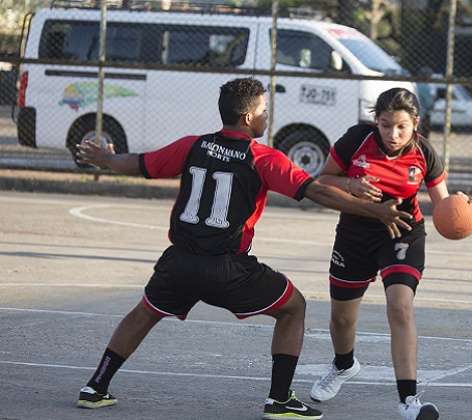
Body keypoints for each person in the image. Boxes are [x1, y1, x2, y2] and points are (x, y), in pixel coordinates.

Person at [73, 77, 415, 420]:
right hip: (226, 268)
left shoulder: (193, 145)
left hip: (179, 263)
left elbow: (141, 164)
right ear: (250, 118)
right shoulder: (261, 157)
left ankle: (95, 387)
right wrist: (376, 210)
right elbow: (319, 192)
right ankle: (279, 400)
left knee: (145, 312)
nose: (268, 116)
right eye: (265, 110)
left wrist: (104, 159)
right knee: (293, 307)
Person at [307, 88, 472, 420]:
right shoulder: (357, 139)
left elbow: (444, 205)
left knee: (400, 307)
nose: (392, 134)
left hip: (402, 232)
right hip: (355, 233)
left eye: (401, 126)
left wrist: (466, 209)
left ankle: (408, 400)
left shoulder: (424, 153)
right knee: (342, 318)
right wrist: (350, 185)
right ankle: (343, 365)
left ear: (415, 122)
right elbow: (324, 177)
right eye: (385, 125)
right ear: (377, 121)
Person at [415, 66, 435, 139]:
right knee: (423, 137)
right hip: (423, 115)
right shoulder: (425, 87)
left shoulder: (415, 84)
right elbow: (429, 103)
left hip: (414, 113)